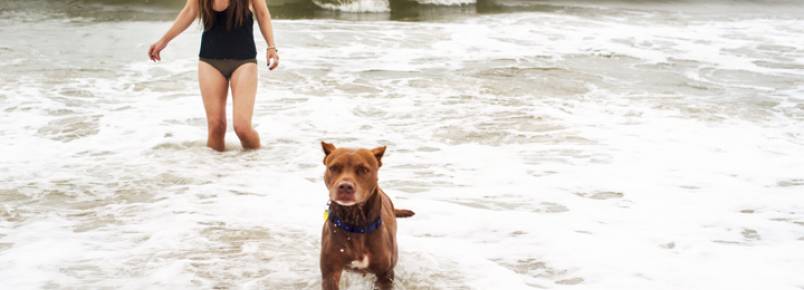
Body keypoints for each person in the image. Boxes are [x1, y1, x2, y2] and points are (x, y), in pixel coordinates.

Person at [148, 0, 279, 151]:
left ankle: (256, 165)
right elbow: (190, 11)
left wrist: (271, 46)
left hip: (244, 61)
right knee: (216, 127)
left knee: (242, 127)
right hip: (210, 60)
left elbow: (262, 14)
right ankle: (214, 172)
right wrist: (164, 41)